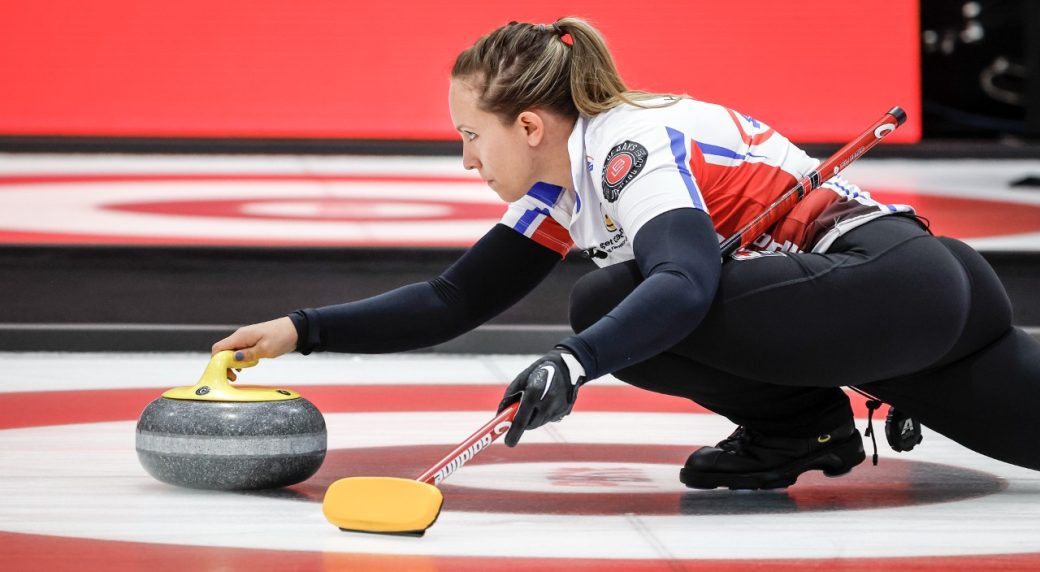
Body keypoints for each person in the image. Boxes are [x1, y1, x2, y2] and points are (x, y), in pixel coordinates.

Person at [213, 18, 1040, 489]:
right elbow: (454, 299)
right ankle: (807, 433)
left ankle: (800, 426)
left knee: (606, 306)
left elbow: (684, 282)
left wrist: (572, 365)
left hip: (889, 286)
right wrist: (302, 328)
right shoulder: (561, 191)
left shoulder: (626, 148)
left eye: (471, 136)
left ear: (529, 127)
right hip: (916, 297)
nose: (467, 159)